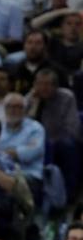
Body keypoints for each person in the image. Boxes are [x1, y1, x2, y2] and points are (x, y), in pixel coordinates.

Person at [26, 68, 81, 200]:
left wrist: (50, 142)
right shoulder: (30, 98)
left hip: (61, 141)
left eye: (47, 84)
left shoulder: (66, 97)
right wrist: (34, 105)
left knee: (67, 146)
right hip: (35, 143)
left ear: (55, 85)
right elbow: (24, 126)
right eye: (39, 84)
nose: (43, 88)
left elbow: (72, 128)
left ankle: (69, 195)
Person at [0, 93, 45, 201]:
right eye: (10, 106)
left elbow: (30, 153)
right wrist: (15, 152)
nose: (14, 110)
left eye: (18, 107)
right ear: (5, 109)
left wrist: (3, 154)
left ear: (25, 110)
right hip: (2, 174)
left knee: (9, 188)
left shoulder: (36, 128)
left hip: (28, 175)